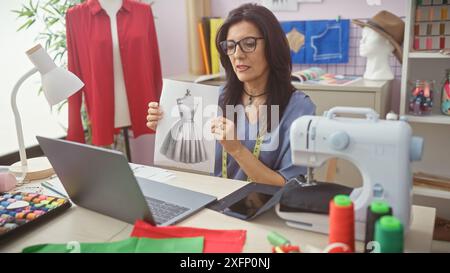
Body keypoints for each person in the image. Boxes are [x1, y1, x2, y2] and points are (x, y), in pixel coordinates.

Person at [147, 3, 315, 186]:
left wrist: (237, 150)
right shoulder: (216, 98)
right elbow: (193, 158)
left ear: (272, 46)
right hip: (214, 202)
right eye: (230, 46)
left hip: (267, 209)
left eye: (249, 44)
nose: (237, 54)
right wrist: (164, 125)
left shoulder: (298, 108)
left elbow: (289, 184)